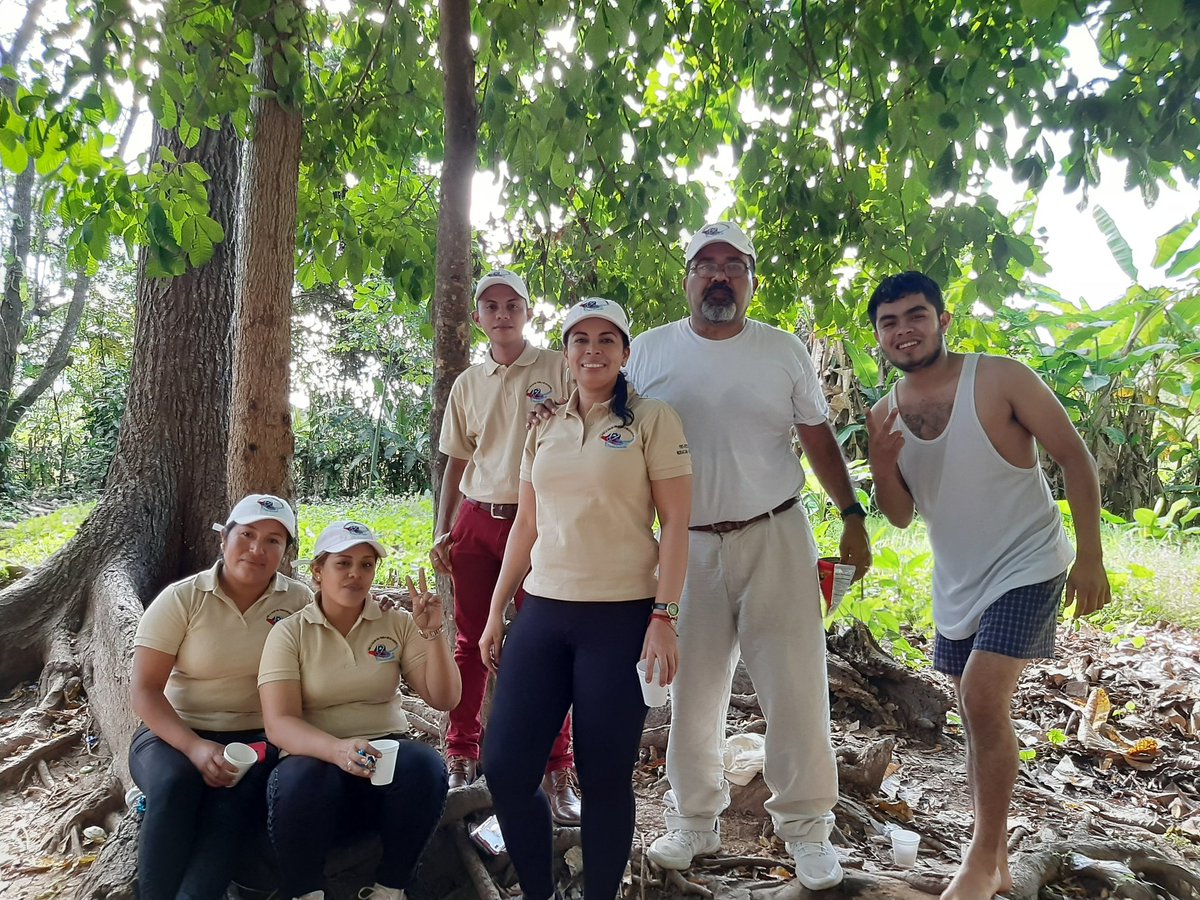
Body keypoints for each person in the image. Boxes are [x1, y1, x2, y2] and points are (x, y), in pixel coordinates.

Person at [636, 222, 871, 891]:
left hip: (777, 532)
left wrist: (853, 515)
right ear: (686, 279)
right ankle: (693, 821)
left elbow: (818, 438)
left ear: (751, 280)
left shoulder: (782, 351)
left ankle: (807, 829)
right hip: (688, 543)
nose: (718, 276)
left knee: (796, 684)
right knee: (694, 688)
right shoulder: (648, 353)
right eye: (705, 265)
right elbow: (614, 437)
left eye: (732, 265)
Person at [865, 272, 1110, 900]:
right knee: (977, 718)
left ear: (943, 320)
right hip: (957, 581)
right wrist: (882, 461)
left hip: (1027, 561)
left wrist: (1091, 557)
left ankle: (980, 862)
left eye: (916, 315)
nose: (904, 330)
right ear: (879, 337)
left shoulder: (1000, 378)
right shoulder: (884, 413)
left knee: (979, 697)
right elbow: (897, 514)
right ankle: (994, 853)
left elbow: (1074, 457)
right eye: (889, 322)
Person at [480, 297, 692, 900]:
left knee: (603, 777)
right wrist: (498, 609)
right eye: (580, 340)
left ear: (626, 353)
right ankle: (539, 892)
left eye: (607, 340)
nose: (592, 351)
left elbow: (676, 524)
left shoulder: (653, 420)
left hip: (621, 615)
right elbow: (527, 523)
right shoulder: (544, 423)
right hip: (544, 612)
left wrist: (664, 616)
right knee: (506, 767)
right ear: (566, 351)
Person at [430, 267, 580, 822]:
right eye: (490, 306)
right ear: (478, 317)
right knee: (470, 640)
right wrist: (443, 528)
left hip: (541, 522)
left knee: (546, 644)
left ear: (528, 310)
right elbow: (457, 462)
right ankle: (462, 752)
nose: (501, 314)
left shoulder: (557, 367)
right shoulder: (467, 383)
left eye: (511, 303)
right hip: (476, 520)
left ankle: (557, 766)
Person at [259, 521, 461, 900]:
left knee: (425, 766)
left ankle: (390, 888)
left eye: (366, 564)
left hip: (383, 766)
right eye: (343, 563)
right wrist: (338, 750)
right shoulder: (290, 633)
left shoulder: (396, 622)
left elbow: (445, 698)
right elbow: (279, 723)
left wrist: (433, 633)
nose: (355, 573)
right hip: (314, 770)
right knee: (303, 778)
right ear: (318, 572)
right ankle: (305, 892)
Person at [129, 493, 313, 900]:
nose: (256, 549)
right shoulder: (183, 598)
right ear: (223, 539)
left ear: (286, 552)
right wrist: (195, 748)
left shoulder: (299, 603)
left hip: (258, 739)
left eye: (273, 540)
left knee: (231, 803)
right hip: (173, 733)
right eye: (246, 534)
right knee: (177, 786)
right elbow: (144, 691)